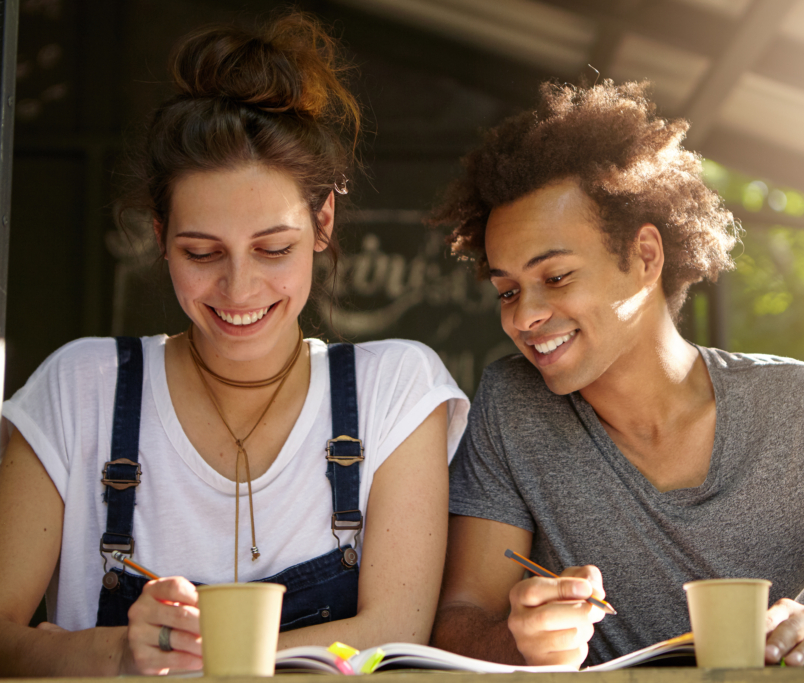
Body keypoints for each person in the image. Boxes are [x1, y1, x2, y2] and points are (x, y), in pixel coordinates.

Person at [428, 80, 804, 669]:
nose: (525, 316)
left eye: (557, 277)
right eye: (508, 290)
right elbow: (458, 626)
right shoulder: (510, 406)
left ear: (646, 258)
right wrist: (521, 641)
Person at [0, 12, 468, 677]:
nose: (238, 288)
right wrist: (118, 649)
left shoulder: (394, 390)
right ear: (160, 235)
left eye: (272, 248)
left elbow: (390, 630)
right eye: (201, 251)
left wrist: (192, 655)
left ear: (323, 221)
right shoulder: (81, 389)